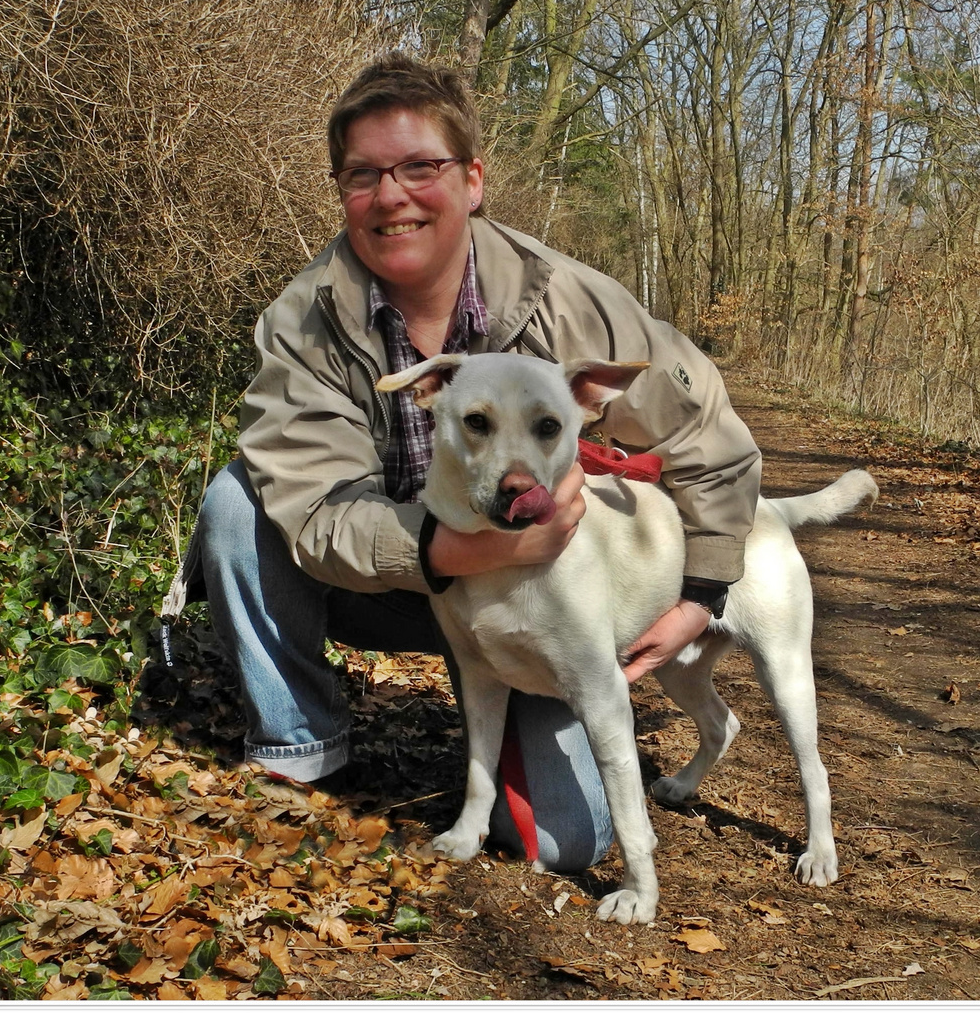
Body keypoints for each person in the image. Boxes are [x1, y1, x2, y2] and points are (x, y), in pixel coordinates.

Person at [160, 53, 762, 872]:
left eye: (420, 167)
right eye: (363, 174)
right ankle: (297, 749)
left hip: (535, 603)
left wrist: (700, 591)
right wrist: (458, 550)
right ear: (342, 191)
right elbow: (311, 508)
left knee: (566, 844)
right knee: (237, 502)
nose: (392, 195)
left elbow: (709, 441)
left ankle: (510, 748)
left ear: (472, 180)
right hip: (389, 584)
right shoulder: (303, 325)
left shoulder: (570, 302)